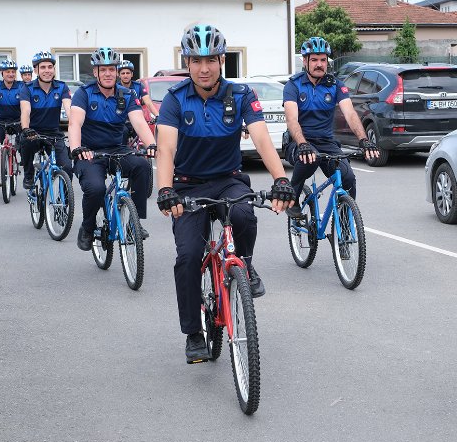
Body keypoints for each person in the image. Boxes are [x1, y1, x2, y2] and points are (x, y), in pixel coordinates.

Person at [155, 24, 295, 363]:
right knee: (188, 256)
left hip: (228, 179)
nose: (205, 68)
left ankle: (244, 264)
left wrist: (280, 179)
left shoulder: (242, 95)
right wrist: (165, 188)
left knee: (245, 213)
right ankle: (192, 333)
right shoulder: (175, 100)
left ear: (222, 61)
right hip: (188, 185)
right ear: (187, 63)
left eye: (211, 60)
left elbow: (262, 138)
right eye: (197, 61)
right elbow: (166, 149)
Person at [68, 47, 156, 251]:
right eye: (103, 69)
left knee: (142, 166)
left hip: (118, 149)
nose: (108, 73)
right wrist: (77, 148)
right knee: (96, 188)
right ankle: (88, 227)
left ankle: (134, 223)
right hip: (89, 152)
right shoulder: (84, 93)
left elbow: (139, 123)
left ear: (117, 72)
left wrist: (151, 144)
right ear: (96, 72)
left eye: (112, 69)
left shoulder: (127, 93)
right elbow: (75, 123)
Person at [282, 37, 379, 218]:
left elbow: (350, 114)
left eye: (323, 60)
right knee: (309, 159)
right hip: (299, 141)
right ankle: (293, 197)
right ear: (305, 61)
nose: (319, 64)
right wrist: (303, 144)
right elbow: (292, 119)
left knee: (348, 178)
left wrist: (364, 140)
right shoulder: (293, 85)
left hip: (327, 142)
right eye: (314, 60)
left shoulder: (336, 86)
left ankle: (344, 220)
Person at [19, 51, 72, 189]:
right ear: (36, 70)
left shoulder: (62, 87)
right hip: (33, 132)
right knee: (25, 143)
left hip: (54, 133)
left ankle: (65, 201)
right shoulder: (27, 88)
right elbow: (25, 110)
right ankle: (29, 175)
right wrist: (25, 129)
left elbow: (69, 109)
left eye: (50, 67)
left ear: (54, 69)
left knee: (67, 167)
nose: (47, 70)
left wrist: (77, 126)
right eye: (43, 67)